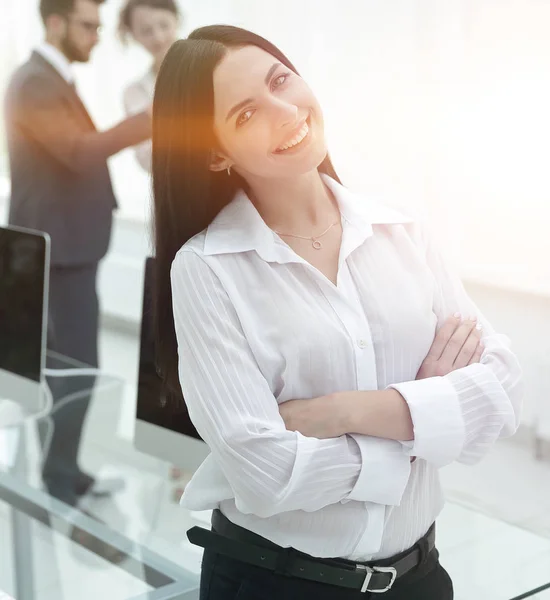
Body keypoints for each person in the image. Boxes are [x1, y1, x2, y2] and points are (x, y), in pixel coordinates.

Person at [151, 25, 523, 600]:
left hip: (418, 580)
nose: (283, 111)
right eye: (247, 113)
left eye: (281, 81)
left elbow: (500, 393)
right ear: (214, 151)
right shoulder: (206, 268)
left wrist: (341, 412)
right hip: (275, 583)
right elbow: (266, 474)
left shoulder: (399, 229)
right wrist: (424, 418)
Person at [4, 0, 151, 510]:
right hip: (59, 248)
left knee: (63, 366)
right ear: (55, 22)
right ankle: (60, 481)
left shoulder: (50, 78)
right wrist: (153, 117)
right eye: (88, 26)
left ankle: (64, 471)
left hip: (64, 244)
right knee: (76, 368)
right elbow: (79, 151)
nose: (96, 36)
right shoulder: (35, 82)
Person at [119, 0, 181, 172]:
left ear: (176, 20)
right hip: (178, 190)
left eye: (164, 25)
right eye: (146, 31)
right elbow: (147, 158)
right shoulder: (134, 93)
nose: (158, 37)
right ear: (134, 35)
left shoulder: (211, 68)